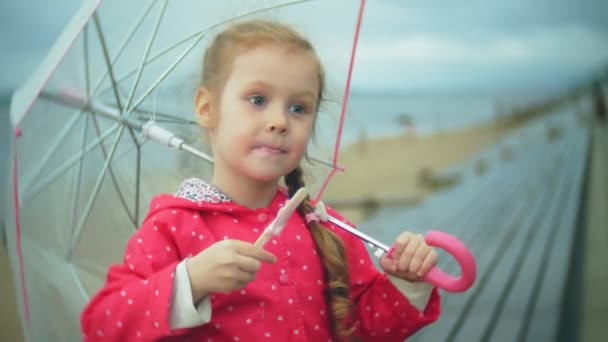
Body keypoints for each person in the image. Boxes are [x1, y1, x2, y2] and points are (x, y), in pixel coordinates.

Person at [81, 20, 440, 341]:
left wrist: (407, 284)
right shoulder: (174, 227)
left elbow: (366, 328)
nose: (280, 121)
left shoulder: (323, 226)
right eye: (257, 99)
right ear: (207, 108)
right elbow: (102, 325)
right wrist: (191, 281)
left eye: (298, 108)